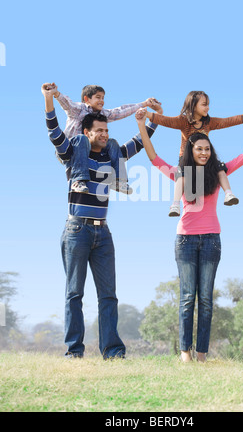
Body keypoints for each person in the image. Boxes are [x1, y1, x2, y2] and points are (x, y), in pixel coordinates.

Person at [135, 106, 243, 362]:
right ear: (190, 150)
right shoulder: (181, 174)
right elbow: (153, 158)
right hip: (185, 240)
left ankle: (202, 354)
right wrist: (142, 125)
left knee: (205, 300)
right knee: (187, 298)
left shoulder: (218, 173)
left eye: (207, 149)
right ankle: (185, 353)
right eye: (199, 149)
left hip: (211, 240)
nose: (204, 153)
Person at [42, 86, 160, 359]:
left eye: (107, 131)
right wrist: (49, 99)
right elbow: (54, 132)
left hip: (103, 234)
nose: (105, 135)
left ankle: (113, 351)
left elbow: (138, 143)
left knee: (108, 295)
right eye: (100, 131)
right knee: (74, 294)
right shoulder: (73, 154)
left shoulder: (110, 156)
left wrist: (154, 120)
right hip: (77, 231)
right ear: (87, 133)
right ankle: (74, 351)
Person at [146, 91, 243, 216]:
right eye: (204, 104)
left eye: (208, 104)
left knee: (220, 169)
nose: (208, 107)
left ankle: (228, 194)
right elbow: (165, 120)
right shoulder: (183, 121)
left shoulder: (208, 122)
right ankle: (175, 205)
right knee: (182, 175)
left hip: (204, 157)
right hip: (186, 159)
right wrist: (146, 114)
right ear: (193, 105)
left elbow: (227, 121)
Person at [42, 82, 161, 194]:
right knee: (82, 139)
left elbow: (120, 111)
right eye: (98, 97)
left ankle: (119, 181)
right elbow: (67, 104)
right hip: (70, 149)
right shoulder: (79, 110)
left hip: (87, 151)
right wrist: (56, 94)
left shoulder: (102, 114)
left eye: (103, 98)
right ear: (86, 99)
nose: (102, 101)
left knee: (112, 142)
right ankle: (78, 180)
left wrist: (144, 104)